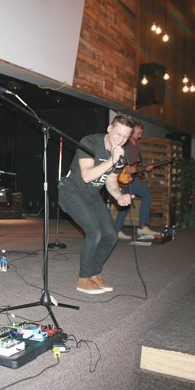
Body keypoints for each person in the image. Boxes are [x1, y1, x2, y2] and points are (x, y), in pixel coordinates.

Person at [58, 114, 135, 295]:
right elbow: (87, 176)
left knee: (110, 235)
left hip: (91, 194)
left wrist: (119, 197)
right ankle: (83, 279)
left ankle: (93, 273)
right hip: (72, 190)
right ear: (109, 128)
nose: (121, 140)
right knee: (95, 232)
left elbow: (111, 181)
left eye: (126, 137)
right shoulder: (90, 142)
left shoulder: (119, 156)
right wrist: (112, 160)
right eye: (118, 134)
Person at [114, 122, 156, 239]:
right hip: (123, 177)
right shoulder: (124, 144)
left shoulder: (137, 145)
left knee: (125, 203)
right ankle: (142, 227)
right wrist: (126, 168)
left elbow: (136, 165)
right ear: (132, 132)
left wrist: (145, 168)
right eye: (139, 133)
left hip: (132, 178)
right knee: (146, 195)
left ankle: (116, 230)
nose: (140, 135)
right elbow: (118, 159)